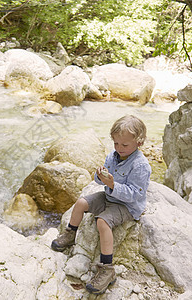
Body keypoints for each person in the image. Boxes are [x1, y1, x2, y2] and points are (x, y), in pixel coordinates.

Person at [51, 114, 151, 294]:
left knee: (102, 222)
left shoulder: (141, 165)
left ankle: (107, 269)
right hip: (110, 197)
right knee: (81, 202)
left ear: (139, 142)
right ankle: (70, 234)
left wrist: (113, 184)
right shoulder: (113, 156)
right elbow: (99, 181)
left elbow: (135, 194)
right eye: (116, 143)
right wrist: (100, 175)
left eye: (124, 145)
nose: (119, 148)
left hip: (127, 206)